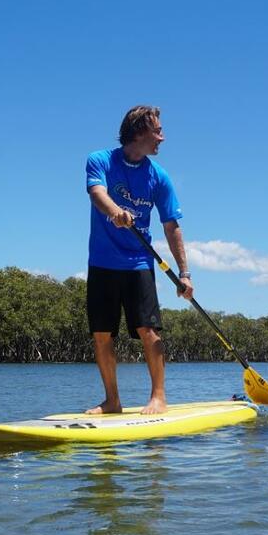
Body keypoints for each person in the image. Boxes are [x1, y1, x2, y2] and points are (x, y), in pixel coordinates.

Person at [84, 105, 193, 415]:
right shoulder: (101, 160)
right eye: (157, 131)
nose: (163, 137)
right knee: (102, 334)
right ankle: (112, 401)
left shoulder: (159, 177)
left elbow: (171, 226)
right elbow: (96, 192)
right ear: (139, 133)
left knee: (149, 331)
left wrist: (185, 273)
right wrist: (115, 212)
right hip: (103, 261)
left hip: (139, 263)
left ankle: (158, 397)